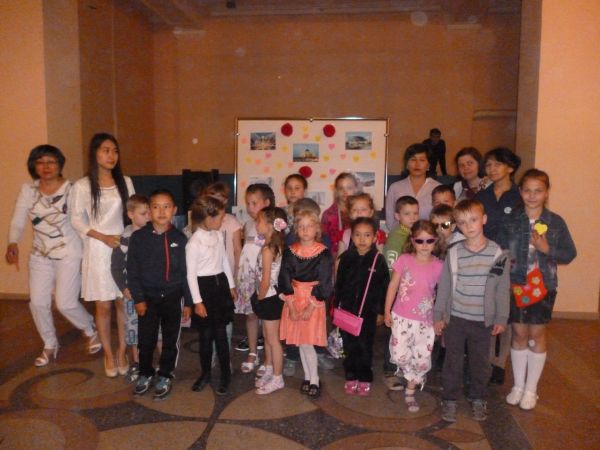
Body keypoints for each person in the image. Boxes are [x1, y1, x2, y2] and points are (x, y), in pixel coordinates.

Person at [6, 145, 99, 367]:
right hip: (40, 254)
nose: (46, 166)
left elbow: (84, 222)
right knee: (37, 303)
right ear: (34, 165)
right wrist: (13, 242)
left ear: (60, 164)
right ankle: (50, 344)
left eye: (51, 162)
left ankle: (89, 328)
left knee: (65, 303)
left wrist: (91, 253)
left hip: (69, 252)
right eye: (40, 162)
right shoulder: (28, 190)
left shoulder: (73, 189)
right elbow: (18, 219)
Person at [497, 169, 576, 410]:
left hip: (544, 286)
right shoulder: (511, 220)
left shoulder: (555, 222)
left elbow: (569, 254)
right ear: (520, 192)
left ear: (546, 193)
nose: (532, 196)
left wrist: (547, 249)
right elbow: (500, 250)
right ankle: (518, 386)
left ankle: (531, 390)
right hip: (516, 285)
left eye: (538, 191)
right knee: (519, 334)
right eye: (527, 191)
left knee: (537, 335)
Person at [433, 199, 510, 423]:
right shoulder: (454, 253)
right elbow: (445, 286)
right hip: (456, 318)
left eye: (473, 220)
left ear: (484, 219)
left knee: (480, 363)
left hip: (482, 321)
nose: (469, 226)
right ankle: (449, 398)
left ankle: (478, 397)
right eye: (462, 222)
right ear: (457, 225)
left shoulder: (497, 254)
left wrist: (501, 317)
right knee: (452, 362)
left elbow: (502, 288)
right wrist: (439, 315)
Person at [71, 133, 135, 377]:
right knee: (103, 305)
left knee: (122, 302)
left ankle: (122, 350)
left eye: (115, 151)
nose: (112, 156)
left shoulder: (125, 182)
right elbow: (76, 220)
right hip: (98, 249)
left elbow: (134, 212)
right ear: (95, 153)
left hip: (122, 246)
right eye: (106, 150)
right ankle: (108, 353)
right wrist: (102, 237)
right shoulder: (82, 186)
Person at [127, 189, 191, 400]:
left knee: (170, 340)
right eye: (156, 207)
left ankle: (165, 374)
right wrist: (139, 299)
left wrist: (188, 302)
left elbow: (186, 273)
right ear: (149, 210)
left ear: (174, 210)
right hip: (147, 299)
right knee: (146, 340)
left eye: (166, 207)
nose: (161, 212)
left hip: (173, 297)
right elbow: (132, 271)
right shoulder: (139, 238)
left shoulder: (180, 238)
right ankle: (145, 372)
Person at [384, 220, 443, 412]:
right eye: (420, 241)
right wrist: (386, 310)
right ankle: (413, 374)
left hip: (425, 321)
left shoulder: (439, 266)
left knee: (422, 358)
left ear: (435, 241)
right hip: (401, 317)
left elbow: (444, 294)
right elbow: (393, 285)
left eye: (429, 240)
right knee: (399, 355)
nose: (424, 245)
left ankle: (411, 389)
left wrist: (441, 318)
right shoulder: (404, 260)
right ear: (412, 241)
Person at [475, 147, 522, 385]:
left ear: (510, 167)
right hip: (484, 259)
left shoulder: (519, 196)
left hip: (511, 262)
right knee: (486, 309)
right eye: (488, 165)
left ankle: (500, 363)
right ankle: (484, 360)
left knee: (505, 311)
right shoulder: (482, 196)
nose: (491, 169)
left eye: (497, 164)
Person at [279, 209, 333, 399]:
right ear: (296, 229)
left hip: (313, 302)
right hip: (294, 299)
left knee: (307, 342)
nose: (305, 230)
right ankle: (308, 377)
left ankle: (315, 379)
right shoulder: (290, 251)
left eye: (309, 226)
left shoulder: (323, 253)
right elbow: (284, 278)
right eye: (301, 226)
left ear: (317, 228)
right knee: (301, 342)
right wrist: (291, 305)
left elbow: (325, 282)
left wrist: (311, 306)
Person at [187, 195, 236, 396]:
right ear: (207, 218)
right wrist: (197, 302)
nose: (222, 221)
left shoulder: (217, 235)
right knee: (206, 336)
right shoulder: (194, 243)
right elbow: (190, 275)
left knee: (221, 335)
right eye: (219, 218)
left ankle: (225, 374)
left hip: (220, 286)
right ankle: (205, 373)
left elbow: (224, 261)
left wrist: (231, 285)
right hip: (204, 289)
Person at [336, 218, 389, 396]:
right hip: (347, 310)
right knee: (349, 346)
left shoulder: (378, 260)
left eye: (367, 235)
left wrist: (381, 311)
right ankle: (351, 376)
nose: (362, 239)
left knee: (365, 346)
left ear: (375, 238)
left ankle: (365, 378)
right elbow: (339, 284)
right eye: (357, 235)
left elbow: (384, 287)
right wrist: (336, 306)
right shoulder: (346, 258)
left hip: (368, 312)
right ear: (352, 237)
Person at [110, 194, 151, 382]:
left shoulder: (153, 235)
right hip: (132, 294)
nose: (148, 216)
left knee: (156, 329)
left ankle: (157, 363)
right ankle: (137, 363)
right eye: (143, 213)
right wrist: (124, 288)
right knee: (134, 330)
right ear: (131, 214)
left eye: (149, 212)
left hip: (151, 290)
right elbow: (116, 267)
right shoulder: (124, 240)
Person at [235, 184, 274, 373]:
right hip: (247, 279)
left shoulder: (271, 226)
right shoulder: (248, 224)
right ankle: (252, 352)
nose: (250, 207)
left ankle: (269, 357)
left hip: (264, 279)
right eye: (248, 203)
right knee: (250, 316)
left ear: (266, 203)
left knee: (267, 319)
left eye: (254, 203)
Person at [381, 195, 419, 388]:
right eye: (407, 213)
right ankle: (390, 369)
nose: (412, 217)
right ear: (397, 216)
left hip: (409, 291)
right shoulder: (398, 236)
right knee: (396, 332)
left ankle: (404, 367)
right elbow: (391, 264)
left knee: (405, 331)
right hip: (398, 290)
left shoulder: (412, 233)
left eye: (415, 213)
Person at [202, 182, 242, 359]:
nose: (217, 200)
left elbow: (237, 250)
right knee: (209, 316)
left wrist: (236, 276)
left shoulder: (232, 221)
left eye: (220, 197)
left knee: (226, 316)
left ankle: (224, 354)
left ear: (226, 200)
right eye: (212, 196)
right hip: (207, 277)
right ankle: (210, 355)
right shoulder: (203, 221)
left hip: (227, 277)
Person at [252, 206, 287, 394]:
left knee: (273, 340)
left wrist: (258, 299)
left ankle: (278, 377)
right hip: (269, 296)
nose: (256, 224)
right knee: (267, 337)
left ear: (270, 225)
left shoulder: (268, 249)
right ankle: (270, 368)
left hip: (269, 298)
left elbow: (266, 280)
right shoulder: (272, 246)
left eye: (259, 221)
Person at [385, 144, 441, 229]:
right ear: (407, 164)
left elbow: (443, 217)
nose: (417, 164)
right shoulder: (395, 188)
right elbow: (390, 222)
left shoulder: (438, 188)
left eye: (422, 160)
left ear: (428, 165)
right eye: (413, 160)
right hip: (400, 236)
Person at [336, 193, 387, 259]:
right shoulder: (344, 235)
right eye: (355, 210)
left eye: (363, 209)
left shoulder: (378, 235)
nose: (359, 212)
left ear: (371, 212)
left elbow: (381, 258)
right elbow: (339, 259)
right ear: (350, 214)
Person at [321, 172, 360, 254]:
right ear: (336, 191)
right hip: (334, 258)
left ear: (356, 189)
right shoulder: (328, 215)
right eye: (341, 188)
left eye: (349, 188)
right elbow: (324, 243)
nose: (345, 191)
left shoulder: (362, 212)